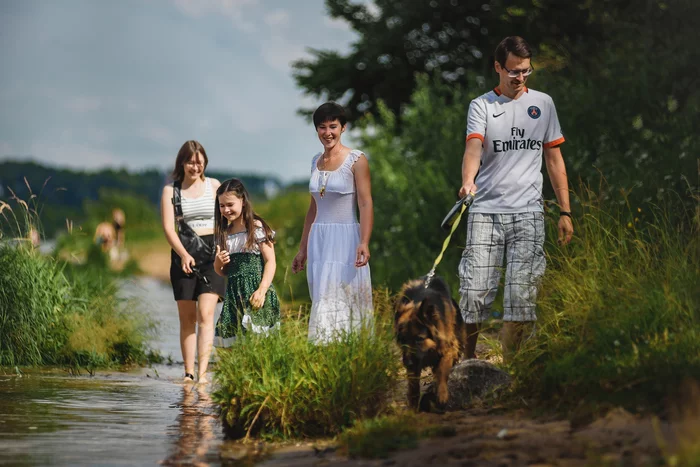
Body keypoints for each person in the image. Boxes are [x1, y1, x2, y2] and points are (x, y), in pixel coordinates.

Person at [457, 36, 574, 361]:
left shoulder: (543, 104)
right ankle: (467, 361)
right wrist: (468, 181)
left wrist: (565, 211)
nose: (519, 78)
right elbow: (473, 148)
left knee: (522, 296)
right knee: (475, 292)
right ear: (498, 67)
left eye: (525, 71)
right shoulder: (482, 105)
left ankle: (514, 367)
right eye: (513, 71)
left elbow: (554, 160)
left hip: (528, 214)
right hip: (486, 211)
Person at [292, 102, 374, 343]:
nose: (327, 133)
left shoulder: (356, 160)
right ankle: (324, 353)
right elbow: (313, 208)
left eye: (333, 126)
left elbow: (366, 203)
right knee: (322, 297)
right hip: (319, 239)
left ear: (343, 128)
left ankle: (352, 351)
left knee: (344, 295)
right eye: (322, 127)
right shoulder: (315, 161)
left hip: (346, 237)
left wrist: (364, 242)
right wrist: (302, 248)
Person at [160, 140, 225, 384]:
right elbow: (169, 228)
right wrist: (183, 254)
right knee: (188, 318)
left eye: (198, 162)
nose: (194, 167)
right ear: (182, 163)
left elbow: (224, 220)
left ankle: (203, 373)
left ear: (205, 162)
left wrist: (222, 249)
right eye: (190, 161)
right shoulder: (171, 190)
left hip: (212, 254)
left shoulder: (215, 185)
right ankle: (188, 372)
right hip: (183, 254)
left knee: (206, 313)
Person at [212, 178, 280, 346]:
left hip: (256, 293)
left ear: (242, 201)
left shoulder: (256, 228)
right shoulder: (224, 234)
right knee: (227, 344)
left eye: (230, 204)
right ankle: (236, 373)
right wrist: (218, 262)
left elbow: (270, 261)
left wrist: (262, 290)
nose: (226, 210)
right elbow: (222, 271)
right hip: (234, 296)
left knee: (258, 343)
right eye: (222, 206)